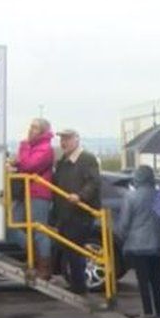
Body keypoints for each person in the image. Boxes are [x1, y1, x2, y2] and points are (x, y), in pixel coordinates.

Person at [115, 165, 160, 318]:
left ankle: (148, 313)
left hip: (137, 246)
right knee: (157, 279)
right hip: (157, 244)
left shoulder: (131, 197)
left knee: (143, 281)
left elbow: (124, 223)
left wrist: (122, 237)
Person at [51, 129, 101, 294]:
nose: (63, 142)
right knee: (69, 250)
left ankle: (79, 287)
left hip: (81, 213)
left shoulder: (87, 158)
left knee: (76, 249)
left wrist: (80, 196)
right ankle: (76, 284)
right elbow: (56, 187)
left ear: (77, 140)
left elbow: (93, 182)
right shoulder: (62, 161)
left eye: (67, 138)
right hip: (65, 213)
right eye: (62, 139)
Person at [8, 118, 55, 279]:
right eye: (30, 127)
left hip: (39, 194)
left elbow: (28, 165)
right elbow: (23, 163)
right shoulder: (32, 146)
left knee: (39, 230)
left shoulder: (45, 148)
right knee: (11, 224)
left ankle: (44, 267)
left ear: (42, 131)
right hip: (25, 192)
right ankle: (33, 256)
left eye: (34, 127)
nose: (30, 130)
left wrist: (23, 148)